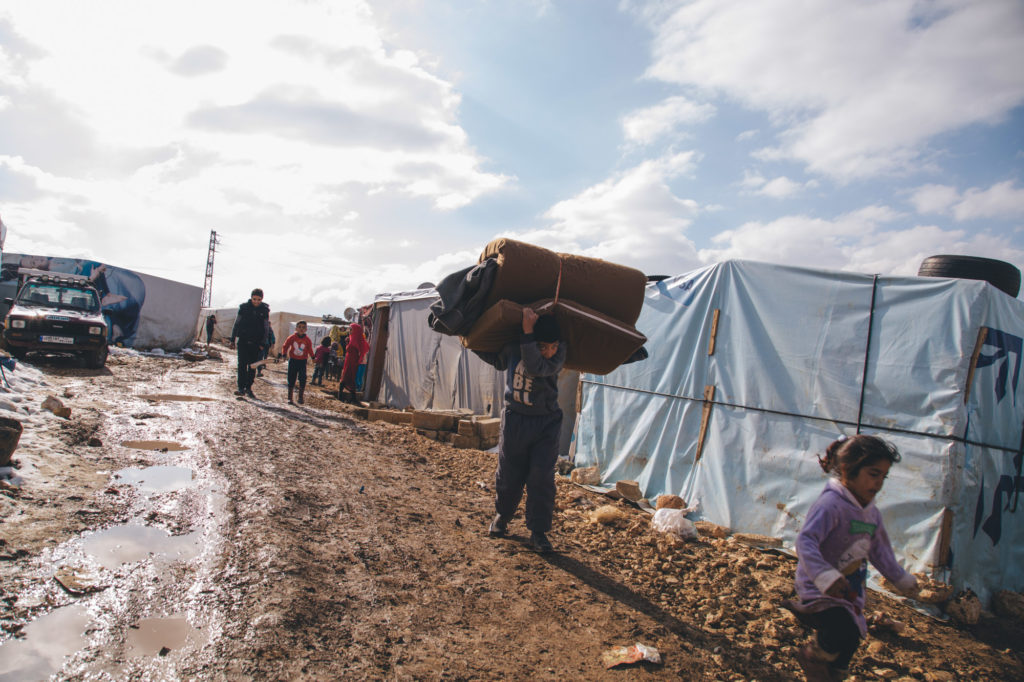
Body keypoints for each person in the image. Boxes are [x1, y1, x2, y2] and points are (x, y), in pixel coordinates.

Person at [790, 434, 919, 680]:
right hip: (820, 587)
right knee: (843, 629)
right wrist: (825, 575)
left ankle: (833, 672)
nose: (879, 483)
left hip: (850, 591)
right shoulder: (831, 505)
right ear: (848, 470)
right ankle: (812, 656)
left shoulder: (871, 514)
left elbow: (879, 550)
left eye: (884, 476)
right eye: (873, 474)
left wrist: (900, 578)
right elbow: (806, 541)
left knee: (852, 639)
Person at [472, 308, 566, 553]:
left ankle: (538, 532)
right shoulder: (515, 347)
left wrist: (527, 332)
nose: (549, 352)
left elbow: (536, 367)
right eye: (543, 346)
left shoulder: (558, 356)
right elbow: (497, 359)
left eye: (553, 346)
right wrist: (471, 339)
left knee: (541, 476)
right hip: (516, 420)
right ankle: (502, 516)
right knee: (509, 473)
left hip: (546, 423)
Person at [229, 289, 269, 399]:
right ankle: (241, 388)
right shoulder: (244, 308)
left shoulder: (264, 310)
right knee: (242, 365)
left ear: (262, 299)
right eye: (254, 299)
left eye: (259, 299)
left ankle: (249, 388)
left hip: (256, 343)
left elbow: (266, 328)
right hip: (243, 341)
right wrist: (232, 339)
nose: (256, 301)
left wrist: (262, 343)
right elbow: (237, 323)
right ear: (251, 298)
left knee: (252, 366)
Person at [281, 321, 315, 404]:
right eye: (299, 327)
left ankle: (300, 397)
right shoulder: (292, 338)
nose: (301, 329)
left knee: (303, 378)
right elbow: (285, 346)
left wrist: (313, 357)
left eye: (303, 327)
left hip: (302, 361)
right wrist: (284, 354)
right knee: (291, 378)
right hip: (293, 360)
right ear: (296, 328)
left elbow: (310, 349)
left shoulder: (307, 340)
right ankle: (290, 398)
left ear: (306, 329)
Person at [338, 323, 369, 404]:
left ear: (356, 331)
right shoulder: (352, 338)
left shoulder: (356, 340)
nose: (350, 331)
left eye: (351, 329)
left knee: (348, 377)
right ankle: (349, 397)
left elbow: (363, 349)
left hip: (352, 362)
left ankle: (346, 397)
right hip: (348, 361)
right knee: (347, 377)